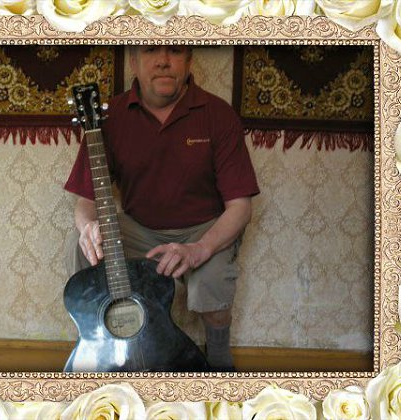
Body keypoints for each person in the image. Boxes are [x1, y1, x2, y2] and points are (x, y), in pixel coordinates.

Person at [64, 45, 259, 371]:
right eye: (151, 50)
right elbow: (86, 200)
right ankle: (98, 340)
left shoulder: (218, 114)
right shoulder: (109, 116)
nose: (164, 61)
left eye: (176, 51)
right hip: (138, 227)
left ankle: (219, 354)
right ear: (134, 61)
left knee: (211, 282)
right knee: (84, 246)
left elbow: (240, 207)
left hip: (201, 230)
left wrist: (199, 250)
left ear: (189, 60)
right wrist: (87, 227)